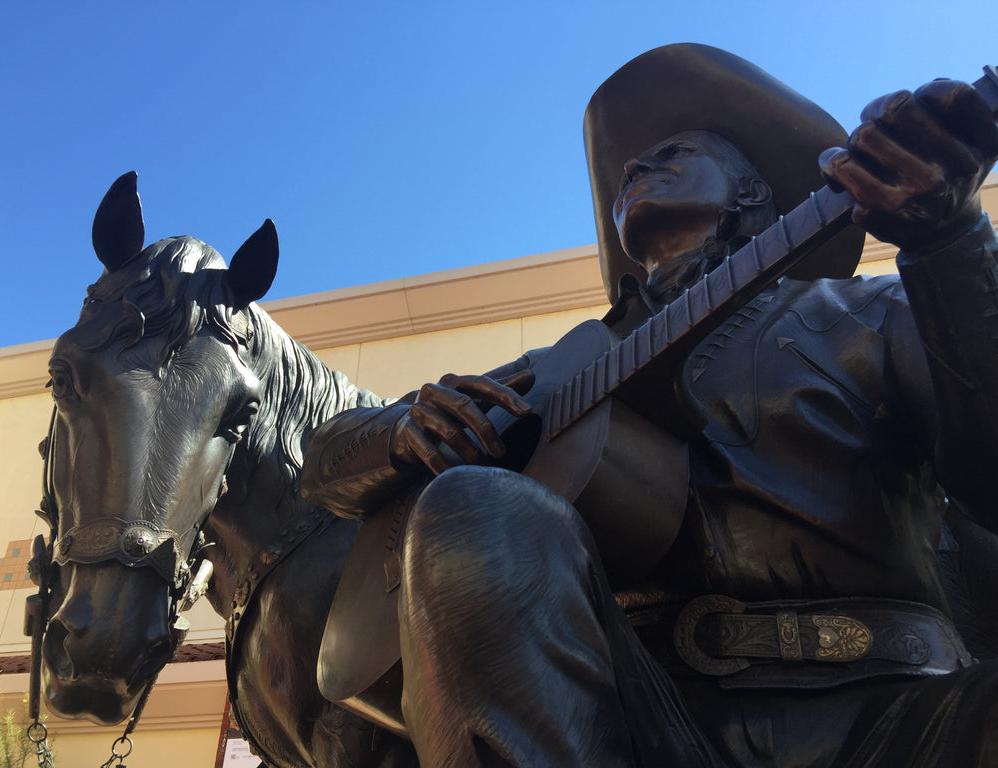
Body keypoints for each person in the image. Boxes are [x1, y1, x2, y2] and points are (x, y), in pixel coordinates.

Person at [301, 44, 998, 767]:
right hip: (624, 723)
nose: (633, 168)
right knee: (471, 506)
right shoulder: (559, 370)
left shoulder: (873, 310)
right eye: (628, 169)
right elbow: (318, 468)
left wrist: (951, 244)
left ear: (752, 194)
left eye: (675, 152)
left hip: (899, 718)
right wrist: (401, 431)